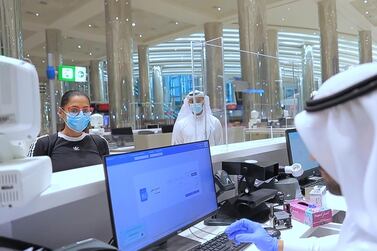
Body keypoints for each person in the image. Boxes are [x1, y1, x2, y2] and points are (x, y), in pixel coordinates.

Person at [225, 62, 377, 250]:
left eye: (325, 144)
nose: (313, 157)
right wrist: (277, 245)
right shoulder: (368, 207)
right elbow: (344, 244)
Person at [28, 90, 109, 172]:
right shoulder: (44, 145)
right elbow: (30, 178)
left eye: (85, 111)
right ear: (61, 112)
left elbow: (108, 176)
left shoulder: (99, 142)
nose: (81, 115)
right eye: (74, 110)